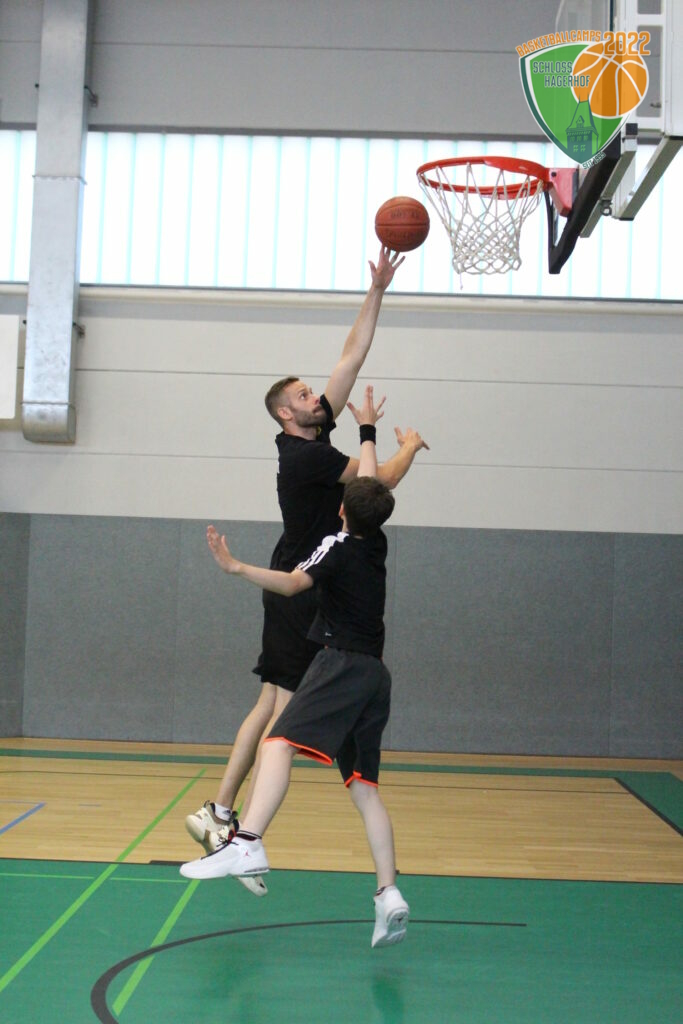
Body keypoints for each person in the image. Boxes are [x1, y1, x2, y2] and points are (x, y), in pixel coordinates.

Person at [185, 248, 426, 883]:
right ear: (286, 414)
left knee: (270, 701)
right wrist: (405, 445)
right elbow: (378, 484)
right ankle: (237, 832)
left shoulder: (312, 434)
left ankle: (221, 815)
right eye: (303, 394)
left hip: (307, 578)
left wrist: (377, 290)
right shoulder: (308, 457)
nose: (316, 395)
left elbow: (350, 357)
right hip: (302, 586)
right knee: (282, 717)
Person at [181, 386, 421, 948]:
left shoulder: (335, 548)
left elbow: (291, 584)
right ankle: (388, 893)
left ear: (340, 510)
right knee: (365, 790)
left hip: (339, 665)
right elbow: (369, 484)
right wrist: (368, 432)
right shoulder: (375, 545)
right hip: (375, 677)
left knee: (277, 744)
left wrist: (237, 567)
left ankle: (247, 842)